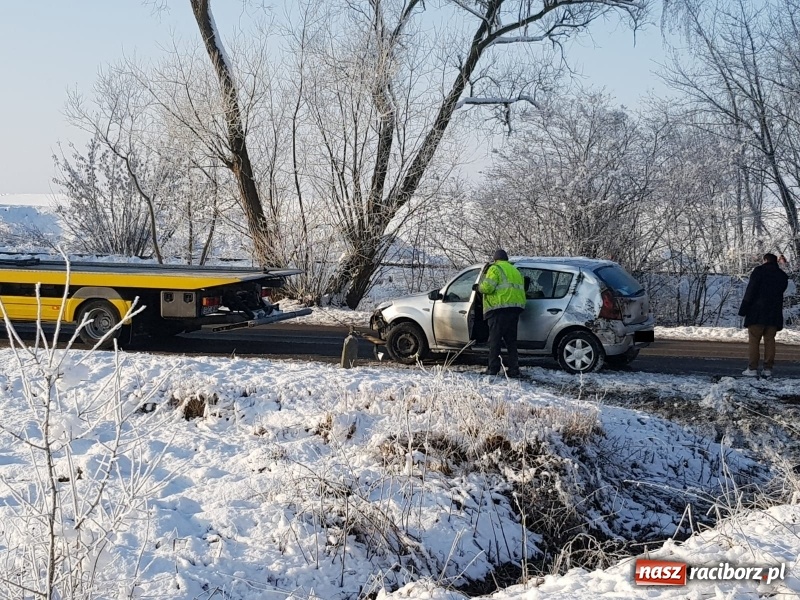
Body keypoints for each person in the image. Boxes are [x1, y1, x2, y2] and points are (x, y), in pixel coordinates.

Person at [476, 248, 527, 377]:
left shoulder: (495, 269)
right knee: (511, 341)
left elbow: (487, 288)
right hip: (515, 309)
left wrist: (478, 287)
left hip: (499, 309)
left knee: (495, 341)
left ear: (495, 259)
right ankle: (514, 369)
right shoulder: (514, 270)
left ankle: (493, 369)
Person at [738, 252, 789, 377]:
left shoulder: (758, 272)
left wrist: (743, 309)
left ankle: (752, 368)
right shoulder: (782, 276)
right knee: (770, 340)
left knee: (754, 340)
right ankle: (768, 369)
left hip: (757, 312)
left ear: (765, 260)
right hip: (774, 314)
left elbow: (751, 290)